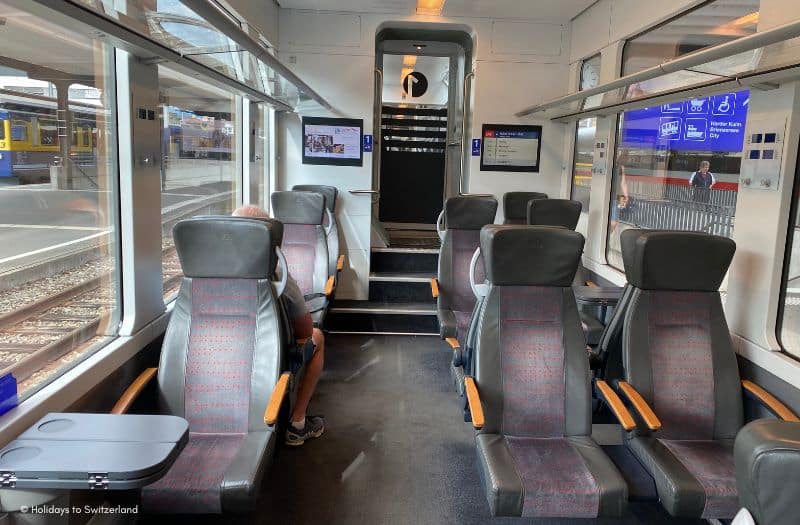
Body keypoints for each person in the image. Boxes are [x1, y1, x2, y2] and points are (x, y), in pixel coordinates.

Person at [233, 204, 326, 446]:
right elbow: (305, 332)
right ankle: (298, 422)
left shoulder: (204, 274)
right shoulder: (277, 274)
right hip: (270, 356)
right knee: (318, 337)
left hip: (222, 357)